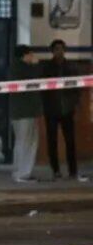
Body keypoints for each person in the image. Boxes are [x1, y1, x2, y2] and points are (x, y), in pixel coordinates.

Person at [42, 39, 84, 181]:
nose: (59, 51)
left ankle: (73, 171)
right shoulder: (46, 68)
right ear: (52, 51)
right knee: (52, 142)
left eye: (61, 48)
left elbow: (78, 89)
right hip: (51, 110)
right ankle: (56, 170)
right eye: (56, 49)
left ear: (64, 50)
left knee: (70, 142)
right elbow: (41, 90)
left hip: (67, 109)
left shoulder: (72, 67)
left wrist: (75, 105)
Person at [10, 46, 41, 183]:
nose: (33, 57)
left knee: (21, 142)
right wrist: (36, 65)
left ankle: (18, 171)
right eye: (31, 54)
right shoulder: (23, 68)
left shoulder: (14, 67)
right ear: (25, 55)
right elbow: (34, 79)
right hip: (26, 111)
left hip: (19, 111)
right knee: (28, 142)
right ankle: (24, 173)